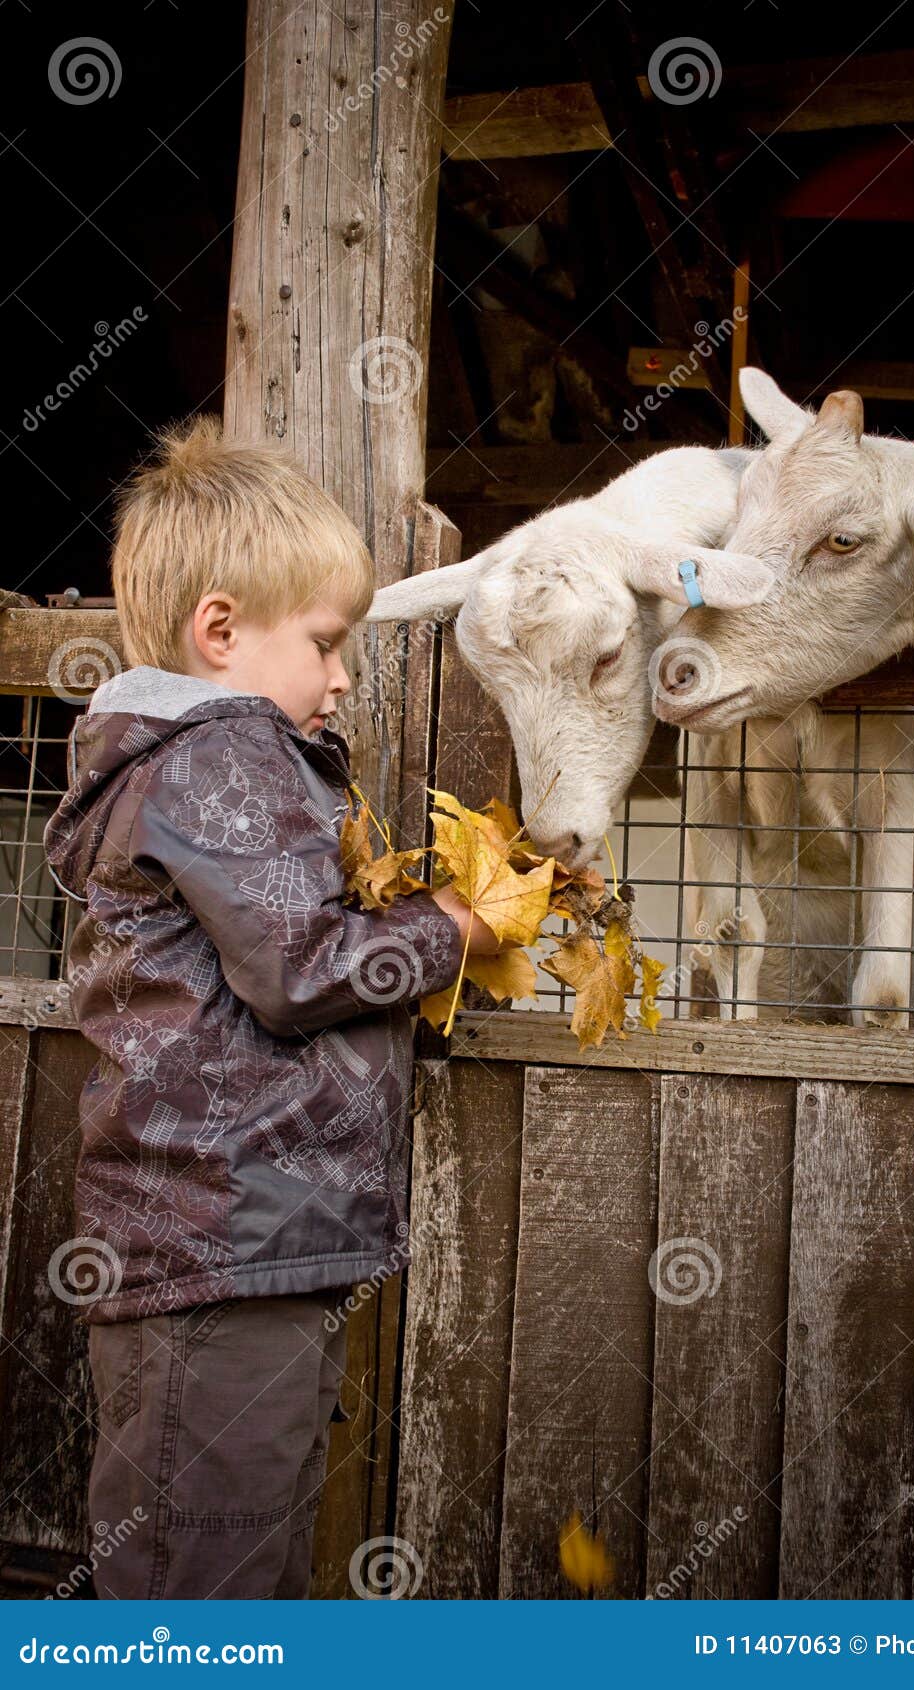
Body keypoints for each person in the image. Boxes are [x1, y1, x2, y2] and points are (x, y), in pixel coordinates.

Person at [42, 416, 499, 1598]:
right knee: (205, 1584)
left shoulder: (196, 762)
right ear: (222, 630)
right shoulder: (220, 757)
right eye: (327, 642)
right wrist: (459, 928)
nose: (343, 675)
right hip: (220, 1253)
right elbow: (298, 971)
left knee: (222, 1567)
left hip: (231, 1248)